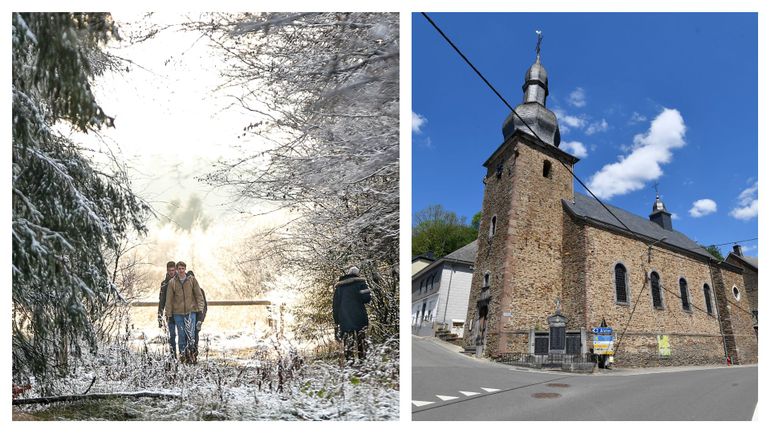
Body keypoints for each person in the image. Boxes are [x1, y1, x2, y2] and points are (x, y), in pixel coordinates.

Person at [163, 261, 205, 363]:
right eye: (179, 269)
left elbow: (199, 296)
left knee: (190, 335)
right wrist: (168, 314)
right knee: (181, 336)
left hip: (191, 312)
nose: (181, 271)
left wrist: (200, 310)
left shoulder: (192, 280)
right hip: (178, 314)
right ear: (177, 270)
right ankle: (182, 357)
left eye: (183, 269)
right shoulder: (172, 282)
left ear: (185, 269)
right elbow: (169, 300)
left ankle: (191, 356)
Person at [332, 266, 371, 362]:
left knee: (347, 339)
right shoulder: (361, 283)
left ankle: (350, 361)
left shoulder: (339, 287)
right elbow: (367, 299)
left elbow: (335, 305)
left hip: (344, 317)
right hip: (359, 315)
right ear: (357, 274)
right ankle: (362, 360)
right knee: (360, 338)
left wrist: (336, 320)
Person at [186, 270, 208, 362]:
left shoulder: (200, 290)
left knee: (195, 336)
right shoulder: (184, 291)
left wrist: (200, 320)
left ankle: (194, 355)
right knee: (186, 336)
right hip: (187, 317)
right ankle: (187, 356)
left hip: (197, 317)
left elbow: (204, 306)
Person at [157, 261, 177, 357]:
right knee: (172, 335)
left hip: (180, 312)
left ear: (175, 270)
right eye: (169, 270)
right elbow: (161, 301)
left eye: (173, 270)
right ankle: (173, 356)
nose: (171, 272)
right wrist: (159, 317)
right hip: (170, 313)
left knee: (183, 336)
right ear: (167, 270)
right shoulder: (164, 283)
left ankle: (184, 355)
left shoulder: (180, 281)